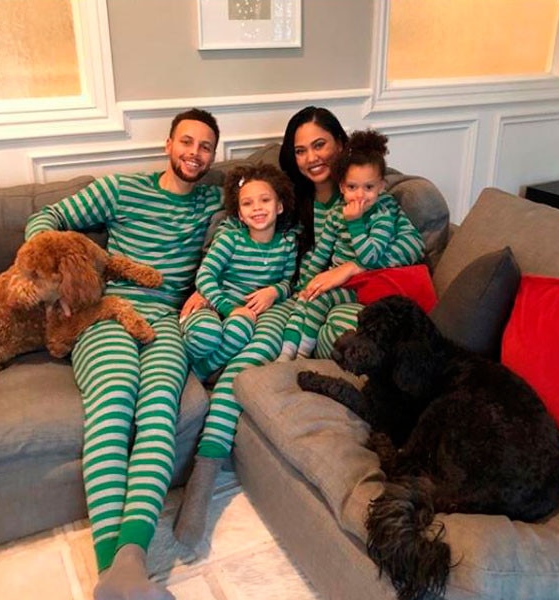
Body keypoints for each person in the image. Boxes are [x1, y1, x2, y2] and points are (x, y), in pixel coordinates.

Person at [24, 108, 222, 600]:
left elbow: (271, 209)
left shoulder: (213, 202)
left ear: (213, 156)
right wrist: (57, 279)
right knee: (113, 402)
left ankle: (127, 562)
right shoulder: (120, 189)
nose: (194, 154)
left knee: (158, 412)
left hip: (166, 322)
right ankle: (118, 571)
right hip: (103, 313)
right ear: (167, 144)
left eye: (205, 147)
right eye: (187, 142)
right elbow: (45, 219)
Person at [173, 106, 367, 554]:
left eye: (319, 145)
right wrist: (220, 298)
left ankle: (205, 469)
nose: (311, 157)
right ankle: (214, 359)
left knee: (245, 364)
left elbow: (292, 275)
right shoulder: (272, 209)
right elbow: (214, 269)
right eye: (300, 150)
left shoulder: (357, 194)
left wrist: (282, 293)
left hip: (296, 302)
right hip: (241, 302)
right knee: (225, 334)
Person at [279, 129, 425, 360]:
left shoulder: (382, 214)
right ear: (342, 187)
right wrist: (305, 285)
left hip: (361, 284)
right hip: (339, 282)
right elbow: (322, 252)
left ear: (381, 186)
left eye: (368, 187)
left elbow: (370, 258)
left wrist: (355, 225)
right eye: (352, 187)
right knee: (307, 299)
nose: (360, 196)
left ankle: (302, 356)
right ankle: (286, 354)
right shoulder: (335, 213)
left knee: (319, 300)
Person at [180, 163, 298, 381]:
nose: (257, 208)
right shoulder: (230, 239)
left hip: (242, 318)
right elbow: (205, 276)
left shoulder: (287, 243)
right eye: (247, 203)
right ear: (241, 215)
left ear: (279, 206)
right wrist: (227, 307)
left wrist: (274, 291)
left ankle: (199, 374)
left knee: (241, 328)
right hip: (213, 306)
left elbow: (288, 282)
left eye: (265, 200)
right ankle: (191, 366)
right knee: (207, 332)